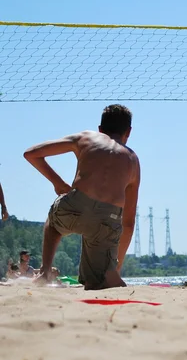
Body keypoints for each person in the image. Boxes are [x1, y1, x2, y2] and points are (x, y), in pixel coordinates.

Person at [24, 104, 141, 290]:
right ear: (129, 131)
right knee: (100, 282)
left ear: (100, 129)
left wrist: (58, 183)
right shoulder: (133, 160)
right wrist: (115, 266)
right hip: (107, 220)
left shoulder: (85, 137)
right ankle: (109, 275)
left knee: (53, 221)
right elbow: (128, 222)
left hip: (75, 206)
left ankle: (45, 272)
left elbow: (31, 154)